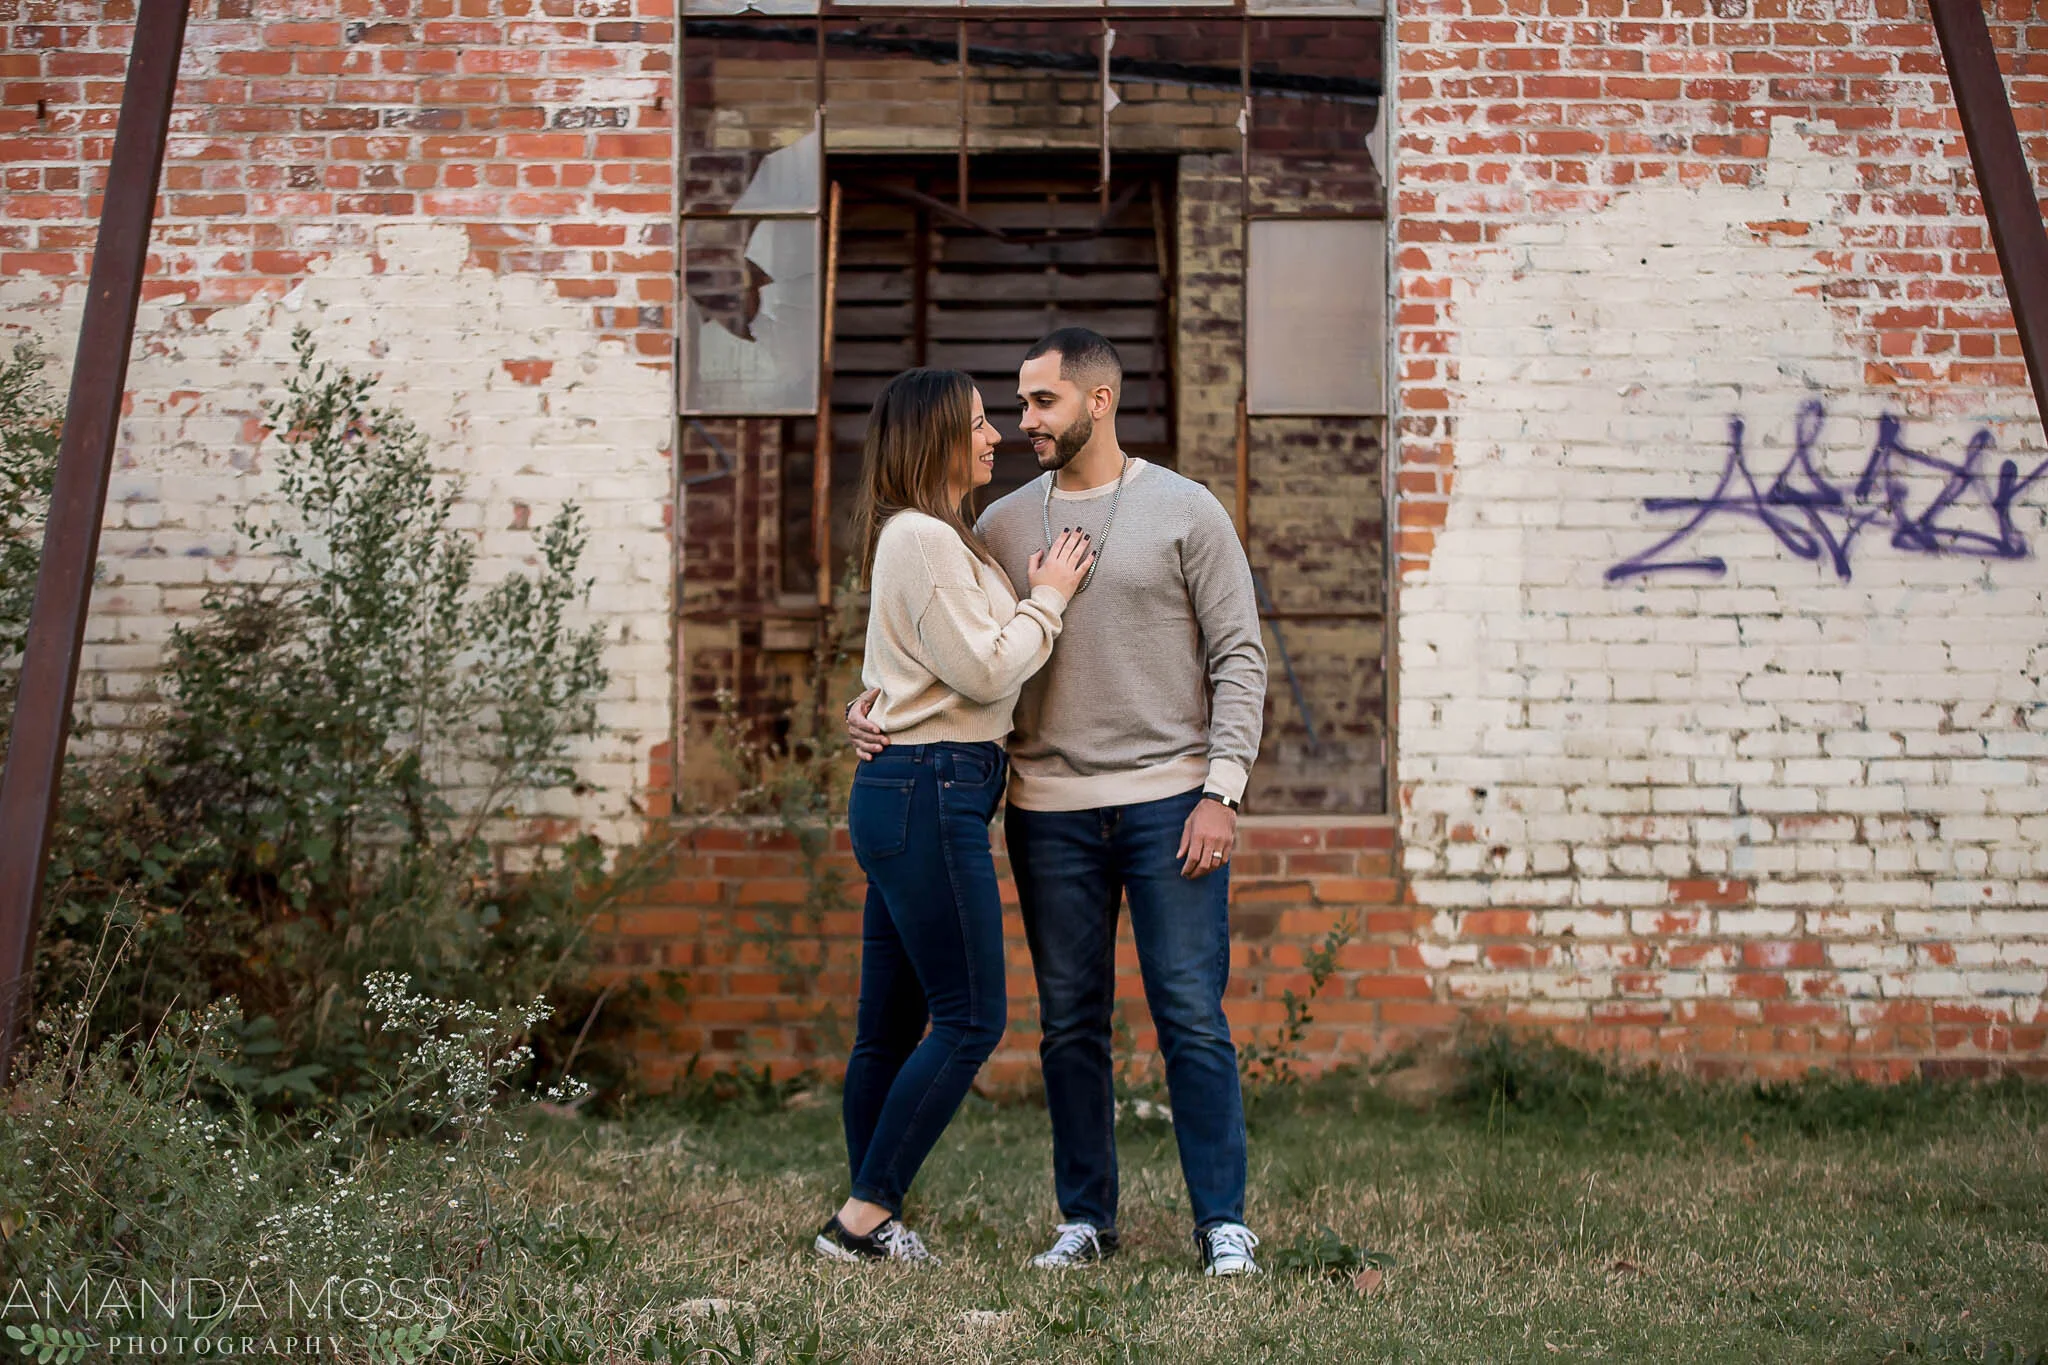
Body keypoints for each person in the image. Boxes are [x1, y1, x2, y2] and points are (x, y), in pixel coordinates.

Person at [847, 328, 1270, 1277]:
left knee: (1191, 1015)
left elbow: (1239, 656)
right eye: (1015, 406)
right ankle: (1086, 1218)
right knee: (1071, 1023)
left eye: (1041, 403)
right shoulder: (996, 526)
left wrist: (1222, 789)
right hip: (1048, 807)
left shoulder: (1185, 512)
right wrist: (871, 707)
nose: (1021, 422)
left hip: (1172, 802)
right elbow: (945, 645)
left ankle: (1222, 1223)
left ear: (1099, 401)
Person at [814, 367, 1096, 1265]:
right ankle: (861, 1218)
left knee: (888, 1027)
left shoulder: (939, 538)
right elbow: (981, 670)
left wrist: (872, 710)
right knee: (972, 1017)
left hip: (920, 784)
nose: (995, 437)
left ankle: (871, 1218)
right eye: (977, 424)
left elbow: (905, 671)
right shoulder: (921, 540)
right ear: (935, 437)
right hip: (930, 790)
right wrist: (1048, 594)